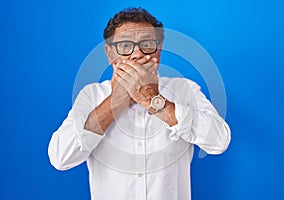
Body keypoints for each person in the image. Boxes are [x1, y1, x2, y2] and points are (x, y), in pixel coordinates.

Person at [48, 7, 231, 200]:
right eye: (125, 46)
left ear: (158, 50)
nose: (136, 54)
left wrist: (153, 100)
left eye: (147, 44)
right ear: (110, 54)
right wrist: (116, 100)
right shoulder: (92, 95)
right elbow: (61, 158)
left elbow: (219, 141)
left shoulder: (185, 89)